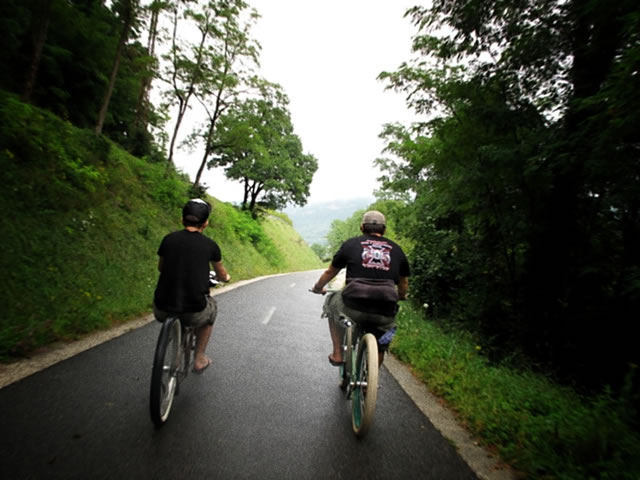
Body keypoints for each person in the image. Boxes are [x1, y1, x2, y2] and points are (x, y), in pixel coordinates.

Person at [310, 210, 410, 366]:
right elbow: (403, 284)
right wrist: (402, 296)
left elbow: (330, 272)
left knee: (331, 301)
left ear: (362, 227)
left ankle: (337, 353)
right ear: (384, 230)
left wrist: (318, 287)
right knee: (384, 337)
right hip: (384, 309)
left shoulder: (351, 244)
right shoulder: (397, 250)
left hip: (353, 305)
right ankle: (372, 375)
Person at [152, 198, 231, 373]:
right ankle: (199, 359)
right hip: (193, 310)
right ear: (206, 223)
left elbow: (161, 267)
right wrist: (225, 278)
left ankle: (176, 349)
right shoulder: (210, 246)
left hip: (161, 307)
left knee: (176, 312)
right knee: (210, 311)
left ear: (182, 220)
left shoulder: (168, 240)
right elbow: (221, 274)